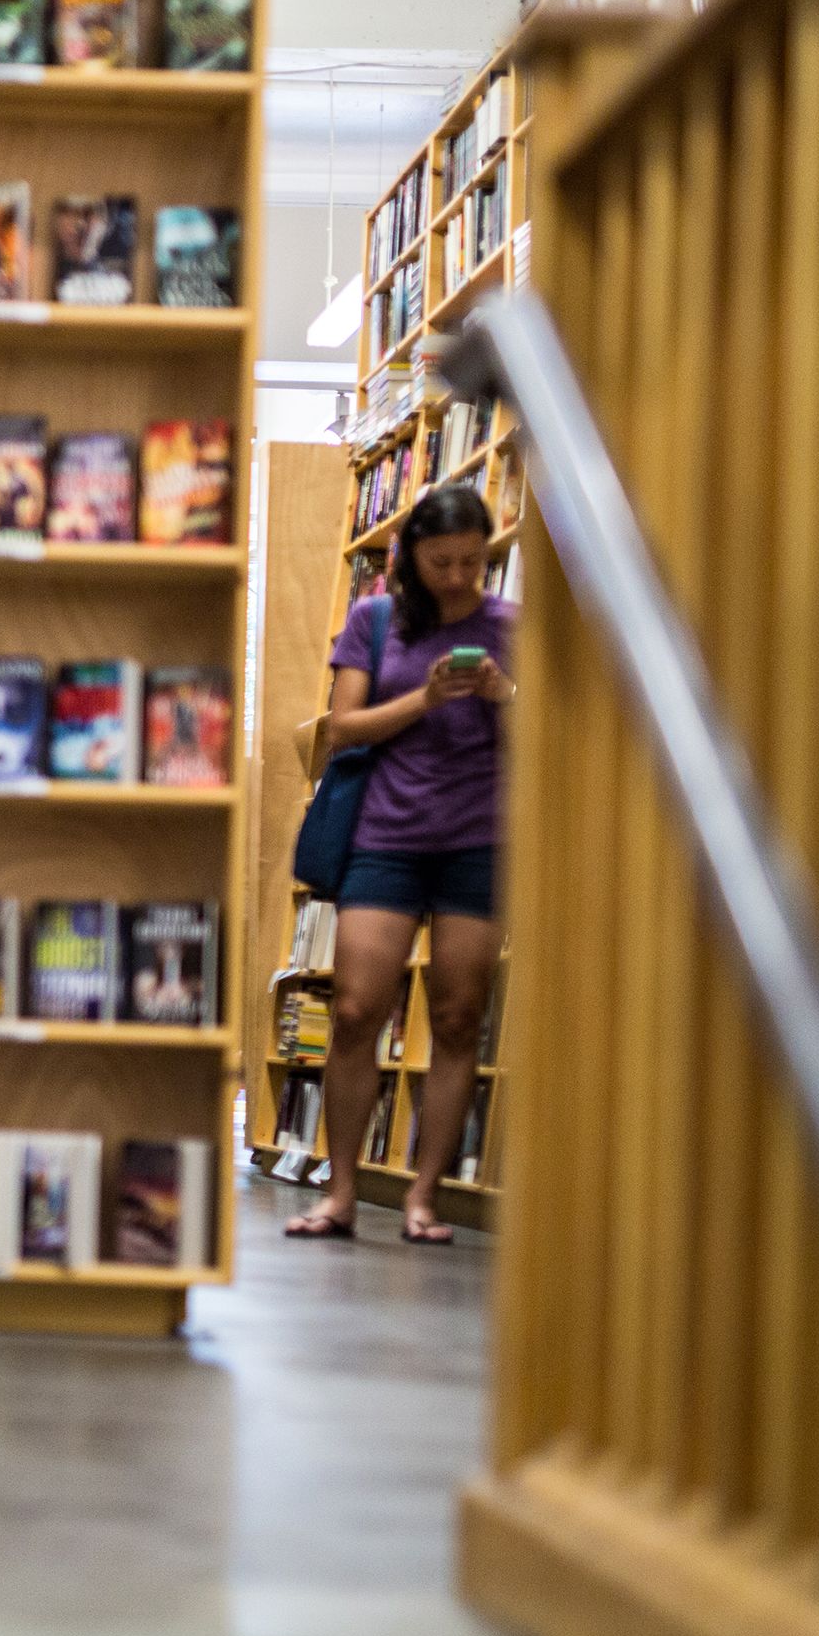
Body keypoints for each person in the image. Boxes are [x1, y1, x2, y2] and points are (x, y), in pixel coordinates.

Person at [287, 483, 513, 1248]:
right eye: (443, 561)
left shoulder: (511, 625)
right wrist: (426, 697)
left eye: (474, 562)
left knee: (456, 1019)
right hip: (385, 835)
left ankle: (424, 1199)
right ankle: (342, 1190)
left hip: (479, 840)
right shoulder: (375, 619)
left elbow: (548, 733)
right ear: (412, 556)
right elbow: (344, 728)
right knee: (354, 1010)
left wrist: (500, 693)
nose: (458, 576)